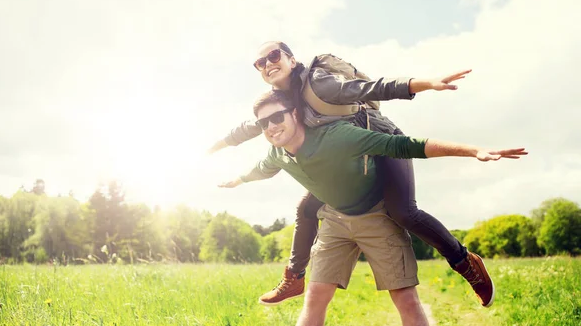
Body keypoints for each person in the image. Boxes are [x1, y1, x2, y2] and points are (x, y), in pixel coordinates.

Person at [209, 41, 494, 307]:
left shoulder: (319, 84)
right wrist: (212, 148)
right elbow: (250, 127)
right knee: (306, 208)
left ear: (291, 59)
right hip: (346, 155)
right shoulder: (279, 101)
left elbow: (369, 89)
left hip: (379, 141)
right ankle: (294, 279)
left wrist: (424, 84)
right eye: (260, 62)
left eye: (274, 56)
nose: (267, 63)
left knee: (404, 213)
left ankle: (464, 262)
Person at [219, 90, 527, 326]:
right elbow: (259, 169)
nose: (271, 127)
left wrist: (474, 151)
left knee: (406, 300)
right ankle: (293, 277)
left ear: (296, 114)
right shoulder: (277, 154)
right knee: (314, 301)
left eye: (277, 117)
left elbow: (404, 146)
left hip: (378, 214)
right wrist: (236, 180)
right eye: (263, 123)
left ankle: (465, 262)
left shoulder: (335, 137)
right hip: (336, 221)